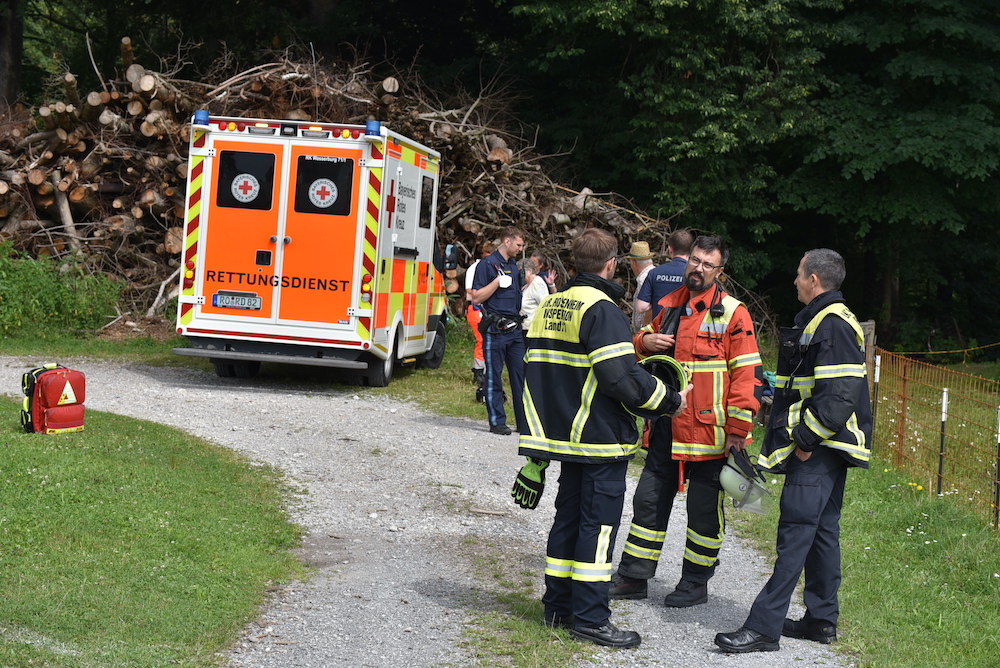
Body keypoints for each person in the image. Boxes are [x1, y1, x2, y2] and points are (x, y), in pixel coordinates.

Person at [511, 228, 693, 649]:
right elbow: (619, 377)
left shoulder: (550, 304)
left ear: (575, 261)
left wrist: (536, 452)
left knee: (567, 523)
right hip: (599, 438)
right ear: (612, 264)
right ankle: (591, 619)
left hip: (564, 438)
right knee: (599, 529)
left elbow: (536, 374)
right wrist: (669, 401)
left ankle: (558, 608)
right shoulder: (602, 309)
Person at [715, 249, 872, 653]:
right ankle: (821, 621)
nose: (795, 281)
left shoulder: (832, 324)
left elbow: (839, 395)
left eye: (799, 274)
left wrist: (804, 440)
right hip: (825, 449)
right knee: (822, 534)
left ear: (814, 279)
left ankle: (763, 628)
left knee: (795, 534)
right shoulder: (825, 319)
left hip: (817, 449)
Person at [609, 234, 762, 607]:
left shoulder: (733, 313)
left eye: (708, 264)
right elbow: (641, 346)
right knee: (648, 502)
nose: (698, 268)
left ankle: (695, 583)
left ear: (719, 271)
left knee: (703, 513)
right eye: (695, 260)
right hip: (667, 424)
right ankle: (634, 577)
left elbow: (748, 375)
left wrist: (738, 430)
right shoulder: (670, 305)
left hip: (711, 434)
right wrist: (644, 343)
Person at [471, 227, 528, 435]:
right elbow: (476, 297)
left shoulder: (512, 265)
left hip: (515, 329)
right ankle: (497, 422)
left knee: (521, 377)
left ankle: (523, 423)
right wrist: (496, 282)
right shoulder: (487, 265)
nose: (520, 249)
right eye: (518, 245)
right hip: (495, 330)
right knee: (494, 376)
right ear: (507, 241)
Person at [635, 229, 693, 325]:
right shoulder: (694, 275)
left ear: (670, 249)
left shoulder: (654, 273)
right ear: (691, 251)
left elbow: (640, 307)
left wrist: (656, 302)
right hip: (685, 329)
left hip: (660, 330)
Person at [465, 256, 486, 395]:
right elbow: (469, 290)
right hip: (476, 309)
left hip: (482, 309)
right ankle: (479, 372)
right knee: (481, 341)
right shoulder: (475, 268)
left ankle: (482, 371)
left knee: (485, 341)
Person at [624, 241, 656, 332]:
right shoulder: (655, 274)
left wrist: (644, 330)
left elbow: (650, 307)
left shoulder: (644, 279)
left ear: (634, 262)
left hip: (646, 332)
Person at [518, 258, 549, 339]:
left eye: (522, 272)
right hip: (525, 328)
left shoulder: (537, 283)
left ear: (530, 271)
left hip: (533, 330)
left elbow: (545, 305)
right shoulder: (527, 285)